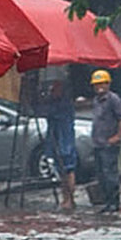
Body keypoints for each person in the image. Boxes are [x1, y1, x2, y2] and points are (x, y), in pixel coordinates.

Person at [37, 80, 77, 211]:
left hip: (64, 140)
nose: (52, 93)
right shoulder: (55, 103)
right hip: (57, 139)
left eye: (54, 90)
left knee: (68, 170)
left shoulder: (64, 105)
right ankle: (65, 198)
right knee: (61, 171)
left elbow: (49, 112)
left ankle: (69, 199)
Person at [88, 68, 121, 212]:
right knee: (101, 175)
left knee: (110, 174)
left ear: (108, 84)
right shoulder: (96, 101)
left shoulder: (113, 99)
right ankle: (107, 202)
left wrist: (118, 136)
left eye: (102, 83)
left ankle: (114, 202)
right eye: (97, 84)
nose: (99, 87)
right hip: (98, 143)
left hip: (109, 143)